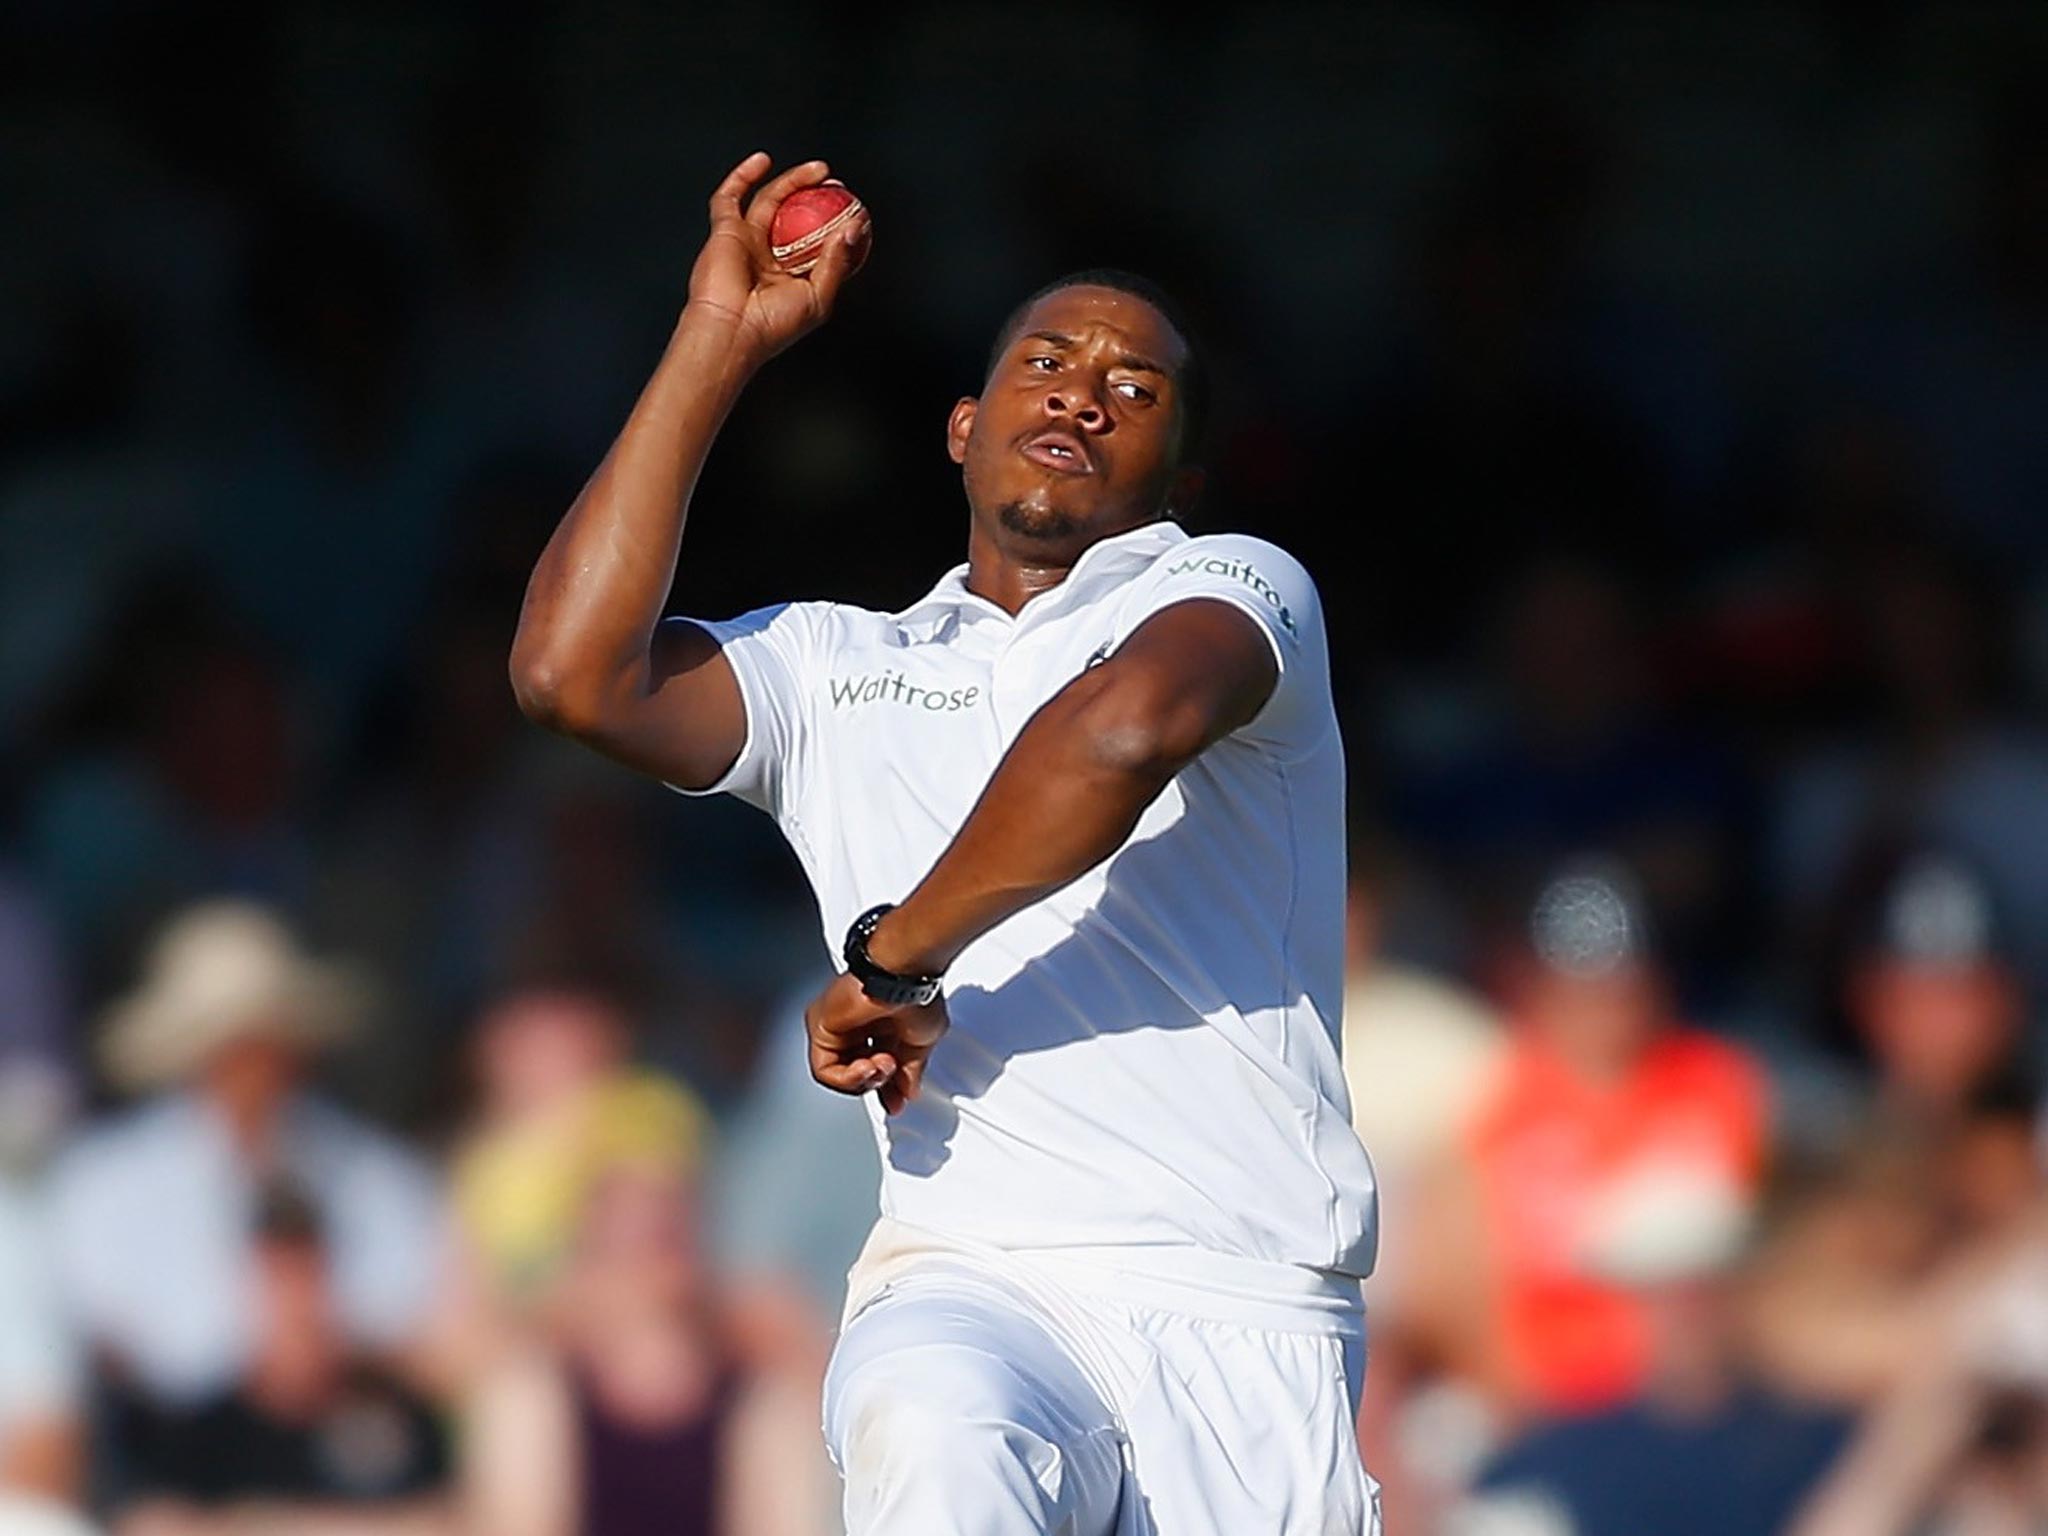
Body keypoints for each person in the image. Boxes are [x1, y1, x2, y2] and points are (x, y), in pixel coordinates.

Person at [510, 152, 1380, 1533]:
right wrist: (717, 344)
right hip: (972, 1272)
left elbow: (1123, 729)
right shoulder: (833, 664)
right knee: (932, 1426)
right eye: (1048, 359)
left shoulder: (1241, 589)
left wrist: (898, 958)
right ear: (965, 427)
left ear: (1182, 473)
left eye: (1134, 388)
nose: (1084, 390)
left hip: (1241, 1300)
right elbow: (572, 674)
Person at [46, 901, 443, 1410]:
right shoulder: (101, 1183)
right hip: (167, 1460)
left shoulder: (377, 1175)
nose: (251, 1067)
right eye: (231, 1046)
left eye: (263, 1041)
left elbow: (411, 1327)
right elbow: (94, 1346)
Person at [105, 1186, 453, 1536]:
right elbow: (151, 1523)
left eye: (309, 1277)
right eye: (278, 1281)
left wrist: (255, 1522)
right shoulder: (199, 1437)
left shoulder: (401, 1417)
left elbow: (453, 1520)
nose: (295, 1305)